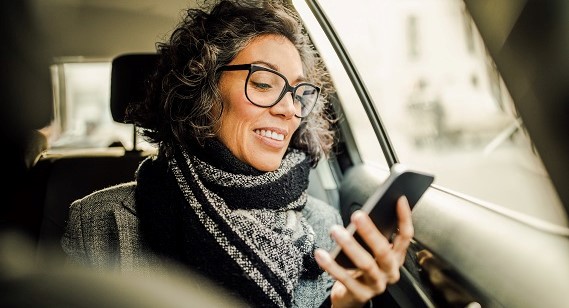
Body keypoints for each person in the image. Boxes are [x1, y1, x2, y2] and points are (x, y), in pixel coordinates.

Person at [61, 1, 413, 307]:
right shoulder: (97, 222)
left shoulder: (325, 224)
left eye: (298, 93)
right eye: (263, 84)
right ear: (202, 90)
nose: (289, 110)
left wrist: (346, 305)